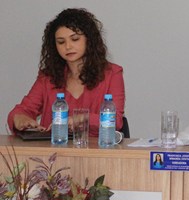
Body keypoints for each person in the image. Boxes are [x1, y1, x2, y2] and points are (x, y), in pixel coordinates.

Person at [7, 8, 125, 137]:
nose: (68, 46)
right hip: (54, 148)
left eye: (75, 39)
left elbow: (116, 121)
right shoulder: (48, 76)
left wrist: (81, 118)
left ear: (89, 40)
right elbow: (23, 110)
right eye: (61, 42)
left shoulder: (112, 74)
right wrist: (20, 118)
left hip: (96, 147)